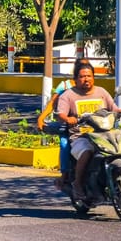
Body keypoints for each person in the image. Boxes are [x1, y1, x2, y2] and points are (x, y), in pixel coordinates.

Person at [56, 62, 121, 200]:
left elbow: (113, 108)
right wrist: (67, 119)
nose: (86, 79)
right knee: (87, 152)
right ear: (76, 78)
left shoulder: (101, 92)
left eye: (89, 76)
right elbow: (60, 114)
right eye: (82, 76)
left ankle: (118, 176)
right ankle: (77, 184)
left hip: (104, 133)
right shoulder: (68, 95)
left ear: (94, 77)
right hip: (81, 136)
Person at [37, 58, 90, 189]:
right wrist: (41, 118)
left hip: (88, 126)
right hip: (69, 126)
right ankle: (65, 175)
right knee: (65, 143)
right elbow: (52, 104)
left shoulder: (90, 86)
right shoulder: (65, 86)